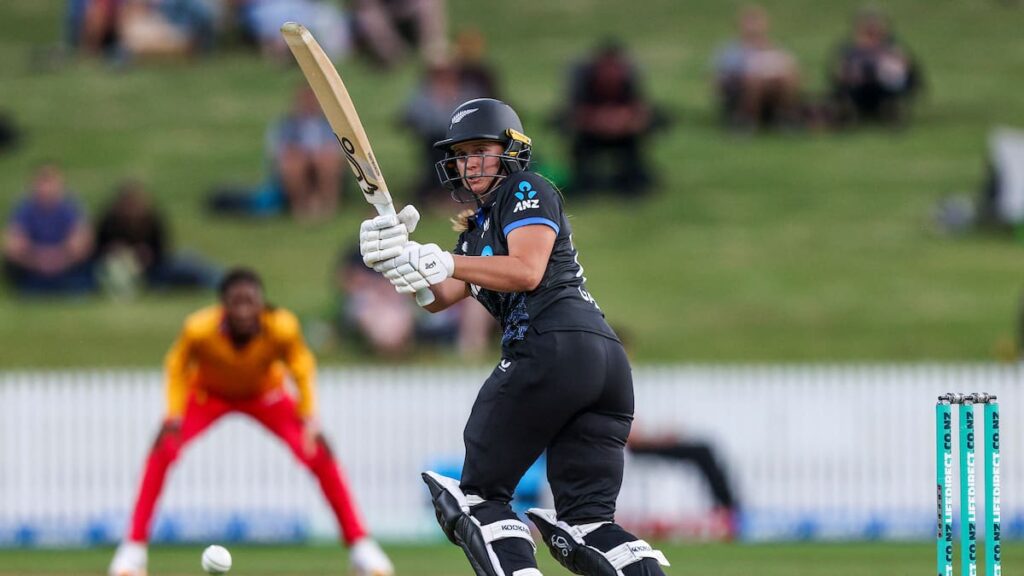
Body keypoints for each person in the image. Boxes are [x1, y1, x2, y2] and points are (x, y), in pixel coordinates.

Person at [358, 98, 670, 576]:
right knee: (587, 524)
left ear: (511, 151)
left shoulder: (527, 188)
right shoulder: (475, 232)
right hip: (601, 364)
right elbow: (439, 296)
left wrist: (443, 260)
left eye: (481, 149)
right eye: (462, 154)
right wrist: (395, 260)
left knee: (477, 497)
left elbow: (526, 270)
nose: (470, 163)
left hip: (551, 348)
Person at [108, 268, 393, 576]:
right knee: (162, 448)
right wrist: (173, 414)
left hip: (265, 395)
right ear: (223, 306)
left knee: (320, 452)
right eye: (236, 302)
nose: (243, 310)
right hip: (208, 395)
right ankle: (132, 553)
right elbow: (177, 366)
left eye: (250, 302)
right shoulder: (199, 329)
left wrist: (310, 418)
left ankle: (362, 548)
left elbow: (301, 366)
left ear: (261, 304)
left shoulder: (281, 327)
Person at [563, 41, 658, 197]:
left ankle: (631, 182)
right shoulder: (583, 78)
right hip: (590, 133)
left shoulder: (629, 78)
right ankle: (583, 183)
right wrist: (600, 120)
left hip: (624, 133)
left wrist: (622, 120)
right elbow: (573, 112)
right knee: (578, 144)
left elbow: (641, 111)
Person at [95, 179, 219, 296]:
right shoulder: (108, 221)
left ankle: (220, 281)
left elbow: (164, 249)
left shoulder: (153, 218)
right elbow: (97, 250)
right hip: (123, 272)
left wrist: (148, 255)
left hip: (156, 267)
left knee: (190, 261)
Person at [3, 163, 95, 295]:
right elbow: (14, 244)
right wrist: (39, 259)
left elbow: (80, 242)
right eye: (42, 182)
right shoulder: (23, 208)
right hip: (33, 265)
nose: (46, 188)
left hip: (65, 264)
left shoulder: (71, 207)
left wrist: (58, 258)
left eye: (51, 182)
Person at [713, 5, 802, 131]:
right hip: (742, 86)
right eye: (749, 22)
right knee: (754, 78)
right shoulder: (730, 50)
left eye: (756, 22)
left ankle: (786, 116)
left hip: (773, 87)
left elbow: (791, 68)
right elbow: (719, 77)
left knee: (786, 76)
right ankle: (746, 120)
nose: (753, 27)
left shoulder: (776, 48)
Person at [828, 7, 922, 125]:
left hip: (885, 87)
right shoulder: (848, 50)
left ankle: (889, 110)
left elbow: (909, 71)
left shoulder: (892, 48)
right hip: (858, 88)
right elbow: (837, 73)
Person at [269, 85, 344, 220]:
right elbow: (279, 150)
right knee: (293, 163)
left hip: (321, 158)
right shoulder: (287, 124)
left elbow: (337, 147)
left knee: (327, 160)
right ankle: (301, 206)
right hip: (300, 159)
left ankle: (328, 205)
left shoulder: (328, 123)